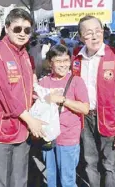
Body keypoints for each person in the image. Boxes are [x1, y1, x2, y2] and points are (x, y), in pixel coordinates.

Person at [0, 8, 46, 187]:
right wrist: (30, 120)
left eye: (27, 30)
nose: (22, 33)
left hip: (22, 127)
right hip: (1, 128)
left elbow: (26, 88)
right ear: (7, 28)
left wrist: (41, 96)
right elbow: (6, 95)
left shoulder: (24, 53)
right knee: (0, 182)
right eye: (17, 29)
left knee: (20, 180)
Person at [72, 15, 115, 187]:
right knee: (90, 161)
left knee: (110, 164)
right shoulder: (76, 58)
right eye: (89, 33)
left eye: (98, 31)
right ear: (81, 37)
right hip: (85, 117)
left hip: (109, 117)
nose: (95, 36)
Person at [39, 44, 89, 187]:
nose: (63, 65)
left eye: (66, 60)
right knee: (52, 179)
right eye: (58, 61)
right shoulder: (43, 82)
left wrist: (63, 100)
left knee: (67, 180)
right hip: (48, 137)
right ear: (50, 63)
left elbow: (85, 108)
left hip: (68, 138)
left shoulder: (76, 81)